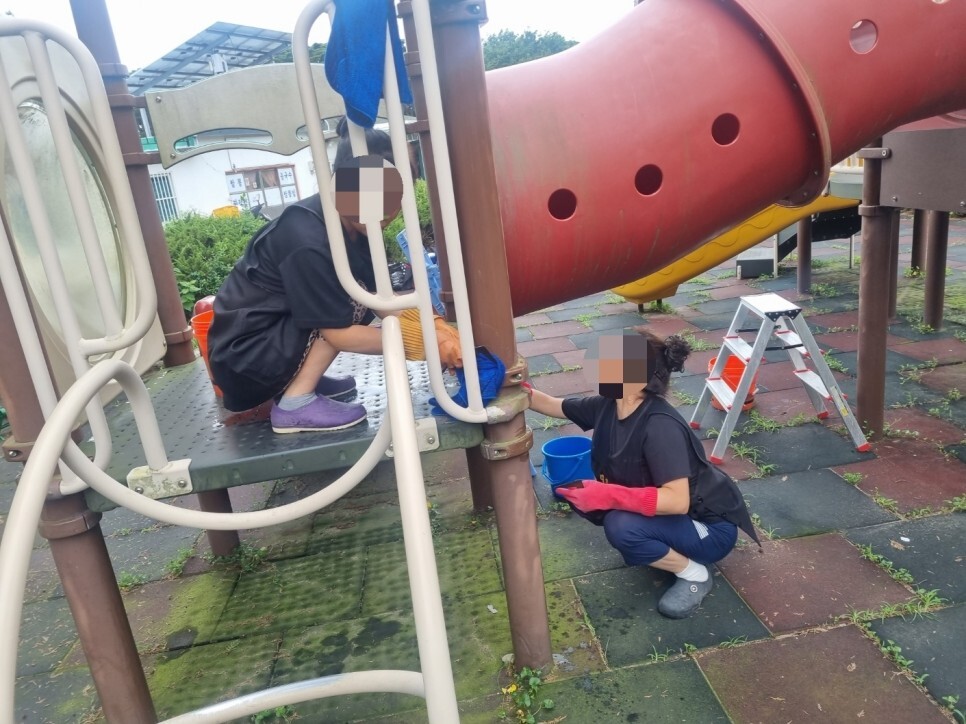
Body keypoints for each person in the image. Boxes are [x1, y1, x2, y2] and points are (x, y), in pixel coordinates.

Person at [208, 118, 460, 432]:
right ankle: (295, 402)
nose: (385, 211)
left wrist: (435, 326)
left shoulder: (357, 227)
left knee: (355, 295)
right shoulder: (307, 237)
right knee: (343, 306)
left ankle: (300, 379)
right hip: (245, 360)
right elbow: (339, 333)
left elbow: (381, 299)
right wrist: (425, 343)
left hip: (271, 341)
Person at [524, 329, 759, 619]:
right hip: (677, 518)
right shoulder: (609, 404)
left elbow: (677, 502)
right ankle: (660, 544)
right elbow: (555, 405)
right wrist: (519, 391)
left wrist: (608, 495)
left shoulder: (659, 426)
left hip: (709, 529)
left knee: (621, 525)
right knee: (593, 503)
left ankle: (695, 573)